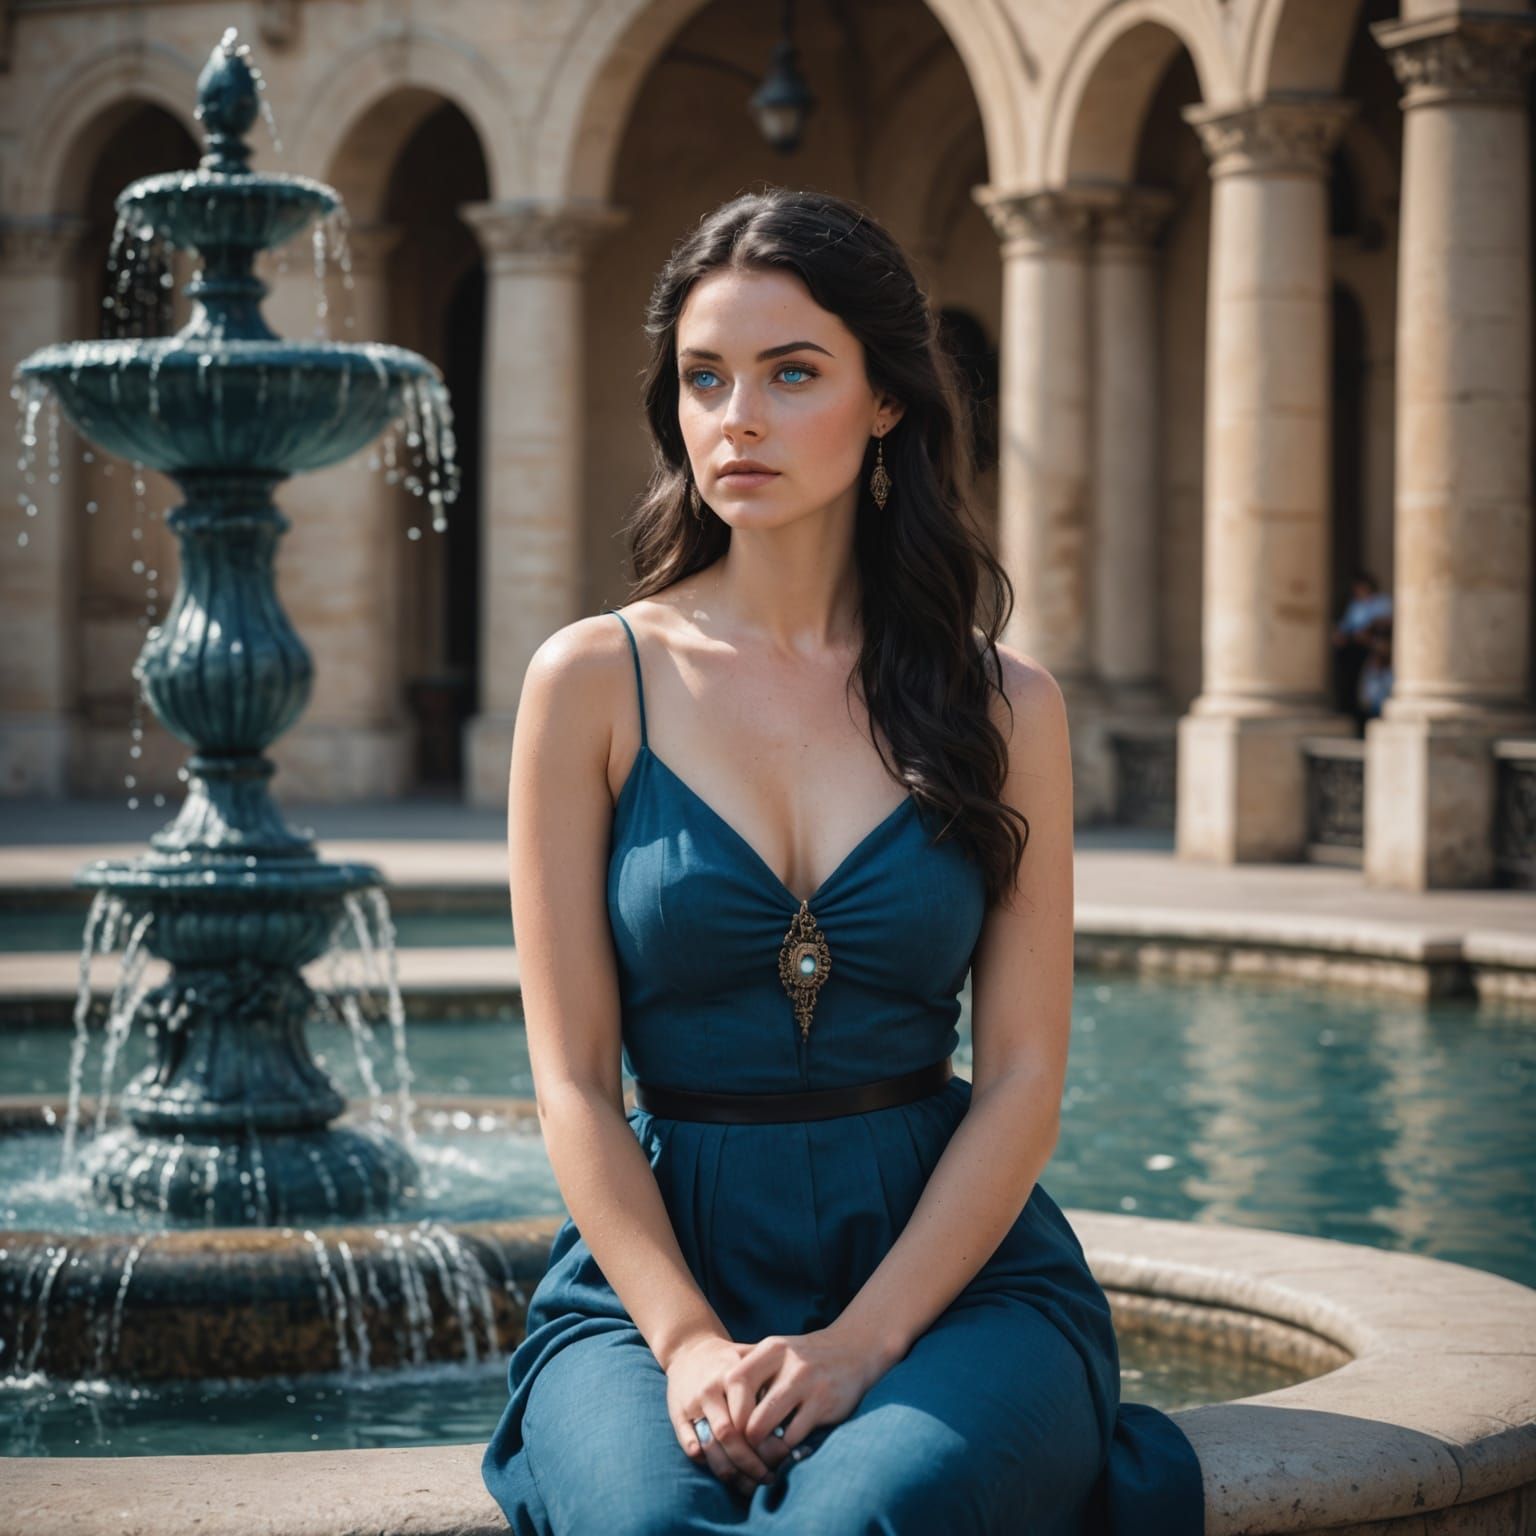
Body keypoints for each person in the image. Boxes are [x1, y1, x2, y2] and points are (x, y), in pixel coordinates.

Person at [480, 187, 1205, 1535]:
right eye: (705, 379)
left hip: (948, 1276)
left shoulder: (1004, 705)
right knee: (643, 1525)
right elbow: (574, 1083)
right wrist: (689, 1341)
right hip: (659, 1274)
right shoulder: (590, 681)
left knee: (857, 1521)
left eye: (789, 373)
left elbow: (1028, 1079)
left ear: (886, 403)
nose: (735, 418)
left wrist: (865, 1342)